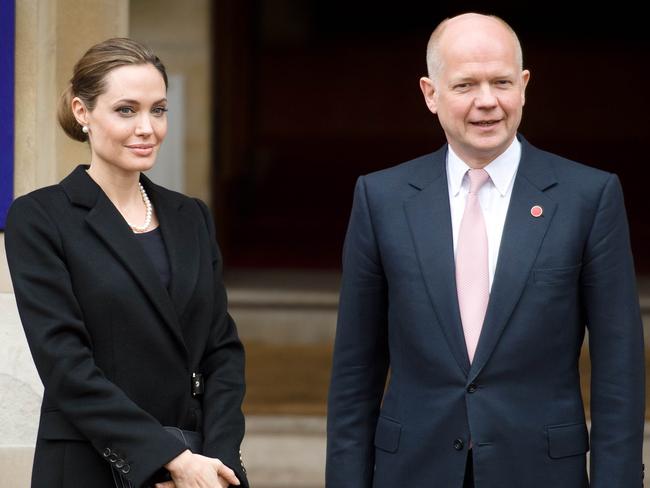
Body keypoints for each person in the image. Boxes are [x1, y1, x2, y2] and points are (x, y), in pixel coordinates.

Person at [326, 13, 644, 488]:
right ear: (430, 94)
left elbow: (619, 365)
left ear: (525, 85)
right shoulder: (382, 199)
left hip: (541, 471)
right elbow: (355, 368)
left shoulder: (587, 197)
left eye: (501, 82)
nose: (488, 102)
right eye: (465, 85)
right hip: (411, 470)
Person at [5, 38, 248, 488]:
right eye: (126, 110)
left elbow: (222, 350)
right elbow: (65, 365)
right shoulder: (40, 217)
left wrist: (216, 459)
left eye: (158, 109)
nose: (147, 128)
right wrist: (170, 457)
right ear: (83, 112)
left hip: (199, 469)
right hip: (91, 465)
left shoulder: (190, 215)